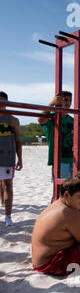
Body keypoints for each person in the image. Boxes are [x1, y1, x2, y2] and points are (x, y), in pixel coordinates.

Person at [38, 91, 80, 201]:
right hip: (60, 160)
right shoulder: (52, 117)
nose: (68, 103)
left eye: (70, 100)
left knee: (72, 191)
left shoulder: (73, 119)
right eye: (65, 100)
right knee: (60, 191)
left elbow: (78, 141)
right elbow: (40, 119)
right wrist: (52, 103)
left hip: (73, 159)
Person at [0, 91, 23, 226]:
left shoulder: (13, 120)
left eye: (3, 102)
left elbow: (18, 140)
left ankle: (8, 216)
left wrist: (20, 158)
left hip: (7, 157)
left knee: (8, 186)